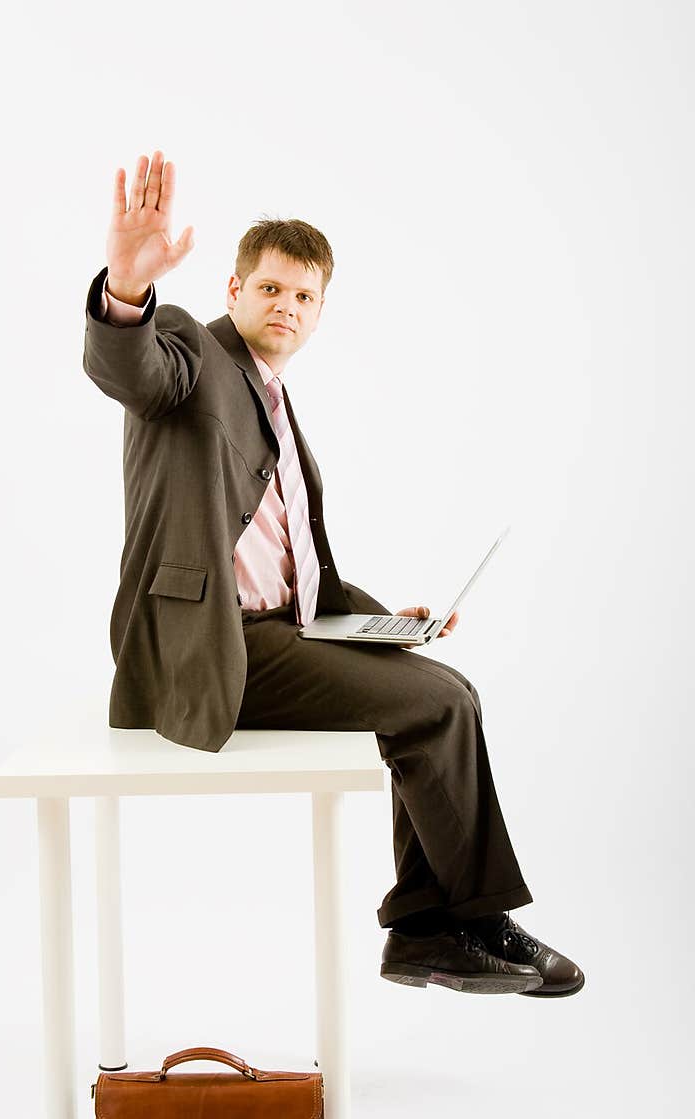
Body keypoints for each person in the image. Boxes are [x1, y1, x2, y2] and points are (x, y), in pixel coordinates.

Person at [82, 150, 584, 998]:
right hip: (212, 647)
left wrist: (383, 621)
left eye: (304, 296)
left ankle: (429, 924)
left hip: (281, 630)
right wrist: (127, 292)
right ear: (234, 290)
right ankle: (456, 923)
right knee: (437, 703)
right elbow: (129, 367)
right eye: (270, 287)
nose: (287, 306)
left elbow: (299, 559)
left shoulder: (273, 398)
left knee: (441, 689)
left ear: (320, 314)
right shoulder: (192, 358)